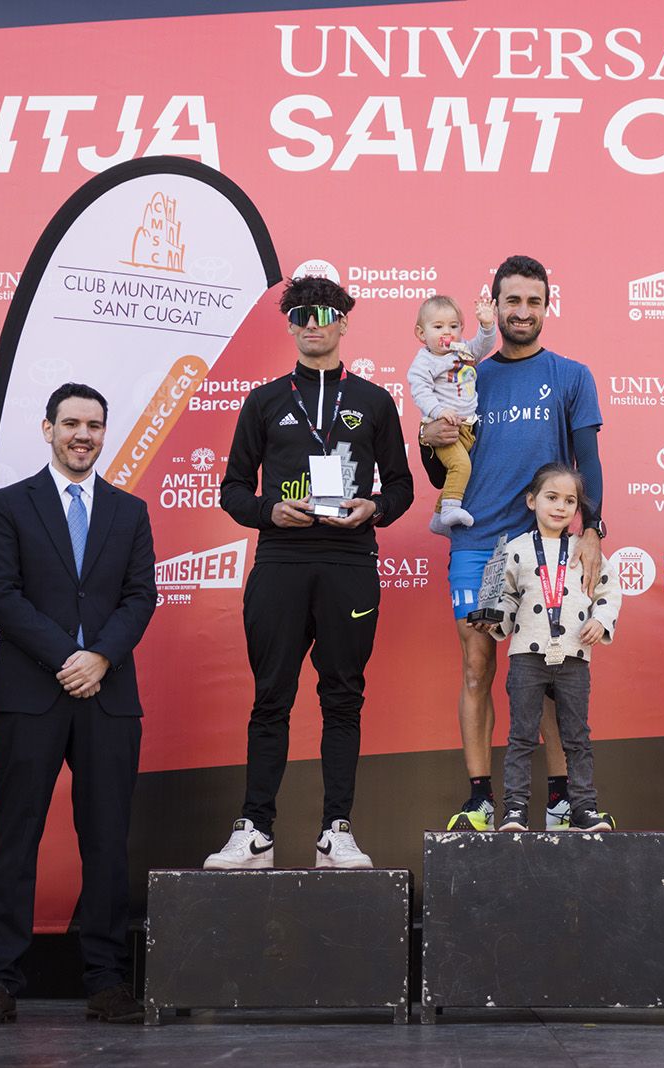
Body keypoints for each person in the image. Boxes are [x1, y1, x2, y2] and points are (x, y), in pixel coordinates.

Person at [0, 383, 157, 1026]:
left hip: (108, 693)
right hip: (31, 696)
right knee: (15, 838)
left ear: (105, 433)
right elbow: (3, 598)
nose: (83, 435)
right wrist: (67, 658)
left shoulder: (130, 512)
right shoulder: (10, 506)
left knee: (105, 842)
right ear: (47, 430)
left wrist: (98, 657)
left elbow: (138, 597)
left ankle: (105, 981)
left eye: (94, 425)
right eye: (70, 423)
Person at [204, 275, 413, 870]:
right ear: (290, 325)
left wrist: (376, 507)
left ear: (345, 321)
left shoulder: (374, 400)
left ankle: (336, 831)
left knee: (343, 697)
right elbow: (233, 491)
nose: (312, 322)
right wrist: (270, 510)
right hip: (282, 561)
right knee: (271, 698)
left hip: (349, 562)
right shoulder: (265, 400)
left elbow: (400, 486)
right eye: (299, 313)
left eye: (324, 312)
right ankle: (256, 831)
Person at [417, 254, 606, 832]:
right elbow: (440, 468)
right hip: (476, 544)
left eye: (533, 301)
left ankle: (556, 799)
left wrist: (593, 529)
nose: (522, 312)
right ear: (494, 306)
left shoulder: (572, 375)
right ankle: (480, 797)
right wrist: (429, 438)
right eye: (512, 301)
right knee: (477, 667)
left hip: (545, 548)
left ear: (547, 306)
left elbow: (588, 463)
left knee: (549, 667)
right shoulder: (463, 368)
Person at [484, 463, 622, 832]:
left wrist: (601, 620)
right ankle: (514, 809)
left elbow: (609, 590)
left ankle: (584, 808)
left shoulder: (585, 549)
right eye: (551, 497)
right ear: (532, 501)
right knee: (522, 735)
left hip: (575, 654)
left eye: (570, 501)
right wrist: (495, 617)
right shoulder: (514, 550)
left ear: (578, 511)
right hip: (527, 655)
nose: (560, 507)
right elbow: (506, 597)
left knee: (577, 736)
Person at [405, 294, 497, 532]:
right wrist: (439, 411)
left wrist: (486, 325)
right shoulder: (425, 362)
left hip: (467, 425)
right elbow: (420, 390)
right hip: (444, 426)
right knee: (461, 466)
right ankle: (449, 511)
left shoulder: (463, 351)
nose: (447, 332)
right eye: (438, 327)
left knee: (459, 473)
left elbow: (483, 345)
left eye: (454, 326)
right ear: (421, 334)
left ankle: (438, 518)